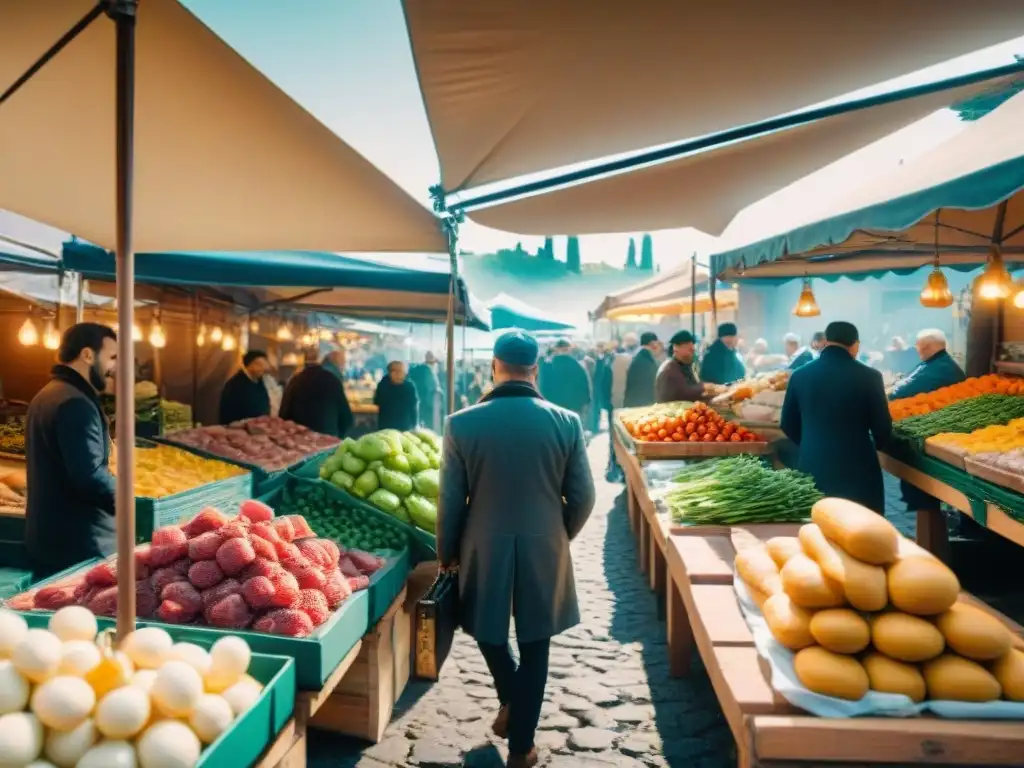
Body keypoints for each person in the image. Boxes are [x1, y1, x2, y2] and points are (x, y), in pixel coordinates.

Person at [438, 330, 595, 768]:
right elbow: (583, 496)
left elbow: (451, 501)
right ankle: (522, 747)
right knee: (536, 643)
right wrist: (558, 532)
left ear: (494, 365)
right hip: (545, 542)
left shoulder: (461, 422)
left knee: (486, 632)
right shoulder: (565, 421)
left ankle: (511, 700)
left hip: (481, 543)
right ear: (535, 369)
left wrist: (446, 551)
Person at [25, 323, 118, 579]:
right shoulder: (75, 403)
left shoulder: (47, 394)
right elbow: (90, 477)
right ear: (87, 355)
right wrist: (130, 501)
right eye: (111, 357)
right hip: (79, 545)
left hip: (51, 539)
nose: (114, 367)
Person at [781, 321, 893, 513]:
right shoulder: (870, 376)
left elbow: (787, 423)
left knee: (817, 522)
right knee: (860, 525)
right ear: (855, 344)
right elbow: (882, 427)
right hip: (858, 466)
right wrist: (878, 445)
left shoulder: (800, 375)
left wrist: (810, 442)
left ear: (826, 341)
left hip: (813, 462)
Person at [889, 329, 966, 535]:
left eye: (919, 346)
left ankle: (933, 523)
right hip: (936, 427)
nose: (917, 350)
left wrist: (892, 390)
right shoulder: (935, 363)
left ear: (927, 347)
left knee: (930, 487)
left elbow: (902, 391)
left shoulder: (940, 367)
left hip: (942, 431)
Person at [279, 348, 354, 437]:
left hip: (299, 437)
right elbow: (346, 418)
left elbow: (284, 412)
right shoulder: (333, 379)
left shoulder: (296, 379)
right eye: (343, 363)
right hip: (326, 438)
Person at [889, 329, 965, 401]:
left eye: (917, 345)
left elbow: (898, 394)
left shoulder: (937, 368)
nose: (917, 349)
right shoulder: (941, 360)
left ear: (925, 347)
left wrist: (890, 389)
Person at [539, 339, 592, 419]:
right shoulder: (578, 366)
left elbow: (543, 387)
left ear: (555, 350)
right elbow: (585, 387)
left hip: (553, 407)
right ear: (569, 349)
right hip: (573, 407)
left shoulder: (547, 366)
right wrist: (585, 403)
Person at [219, 349, 271, 424]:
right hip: (239, 429)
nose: (263, 368)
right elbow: (229, 413)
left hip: (259, 428)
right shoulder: (235, 384)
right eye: (259, 365)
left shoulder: (260, 381)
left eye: (264, 365)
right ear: (250, 365)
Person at [656, 330, 708, 403]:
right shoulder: (670, 370)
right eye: (690, 350)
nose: (693, 353)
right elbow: (685, 393)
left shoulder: (684, 365)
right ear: (676, 348)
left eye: (693, 350)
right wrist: (706, 388)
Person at [374, 360, 419, 431]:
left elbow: (413, 407)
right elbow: (377, 401)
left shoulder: (409, 386)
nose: (398, 374)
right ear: (389, 373)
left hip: (405, 426)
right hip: (386, 426)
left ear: (405, 373)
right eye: (394, 371)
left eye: (401, 372)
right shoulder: (383, 385)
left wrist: (414, 425)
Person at [623, 332, 661, 407]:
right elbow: (646, 387)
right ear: (652, 343)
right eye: (657, 344)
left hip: (635, 404)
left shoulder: (640, 358)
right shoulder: (646, 361)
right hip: (641, 406)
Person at [408, 351, 441, 430]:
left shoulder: (414, 370)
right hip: (428, 405)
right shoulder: (428, 371)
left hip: (416, 403)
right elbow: (433, 387)